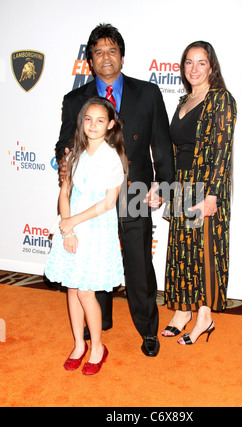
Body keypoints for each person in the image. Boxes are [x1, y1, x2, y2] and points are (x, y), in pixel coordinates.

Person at [55, 23, 174, 357]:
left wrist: (162, 186)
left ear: (121, 55)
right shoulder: (74, 99)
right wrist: (64, 160)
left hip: (135, 190)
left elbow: (161, 145)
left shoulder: (147, 93)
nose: (105, 58)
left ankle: (148, 330)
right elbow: (64, 143)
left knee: (138, 262)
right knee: (93, 259)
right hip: (91, 194)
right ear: (89, 60)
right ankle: (100, 323)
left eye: (111, 50)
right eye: (98, 52)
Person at [161, 41, 237, 345]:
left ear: (211, 67)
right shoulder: (184, 100)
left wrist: (212, 196)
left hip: (206, 186)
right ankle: (182, 310)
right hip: (182, 184)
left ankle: (204, 315)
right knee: (182, 251)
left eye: (201, 63)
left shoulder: (221, 99)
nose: (194, 69)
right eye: (188, 63)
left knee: (205, 252)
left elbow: (222, 150)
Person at [45, 97, 127, 375]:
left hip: (95, 227)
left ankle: (97, 348)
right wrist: (67, 226)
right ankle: (79, 344)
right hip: (72, 224)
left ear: (110, 124)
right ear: (81, 122)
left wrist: (72, 223)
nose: (93, 125)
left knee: (85, 290)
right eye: (88, 119)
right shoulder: (73, 153)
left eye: (100, 120)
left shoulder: (112, 158)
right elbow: (64, 191)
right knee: (71, 285)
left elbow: (106, 204)